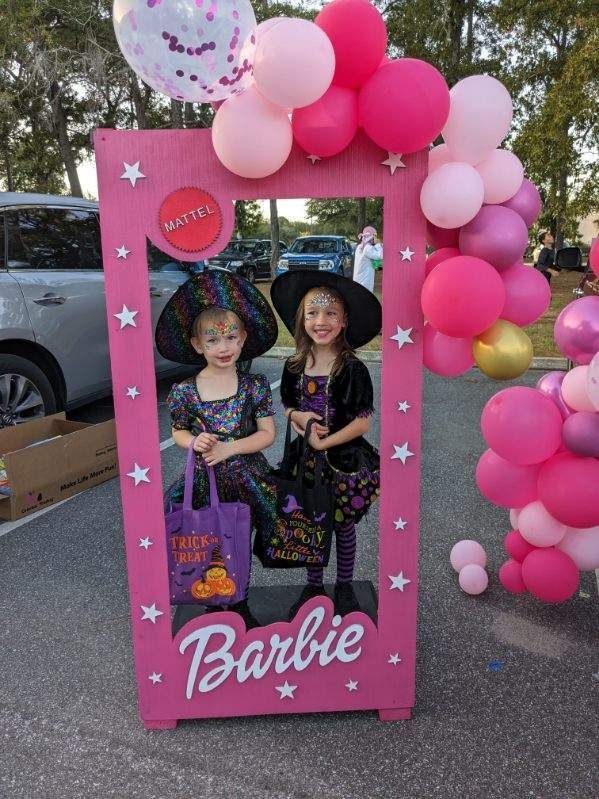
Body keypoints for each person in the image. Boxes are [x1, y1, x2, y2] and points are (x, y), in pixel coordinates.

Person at [155, 271, 279, 629]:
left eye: (230, 337)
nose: (223, 347)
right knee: (206, 543)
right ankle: (211, 606)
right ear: (197, 345)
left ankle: (239, 604)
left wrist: (229, 448)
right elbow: (178, 431)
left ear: (242, 340)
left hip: (248, 479)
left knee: (239, 543)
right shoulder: (184, 391)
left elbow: (267, 433)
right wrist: (194, 442)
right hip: (204, 482)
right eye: (212, 340)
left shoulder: (254, 385)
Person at [270, 271, 382, 618]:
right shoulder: (294, 366)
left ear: (344, 319)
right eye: (313, 314)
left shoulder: (352, 369)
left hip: (342, 462)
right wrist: (298, 417)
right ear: (302, 321)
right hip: (304, 460)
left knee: (343, 526)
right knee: (309, 521)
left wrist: (327, 443)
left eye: (331, 313)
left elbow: (363, 420)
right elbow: (288, 406)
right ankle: (314, 584)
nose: (321, 321)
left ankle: (344, 585)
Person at [353, 225, 383, 293]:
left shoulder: (359, 247)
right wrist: (378, 244)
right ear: (371, 237)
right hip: (365, 282)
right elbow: (380, 255)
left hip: (358, 280)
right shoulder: (368, 248)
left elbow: (378, 266)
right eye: (375, 236)